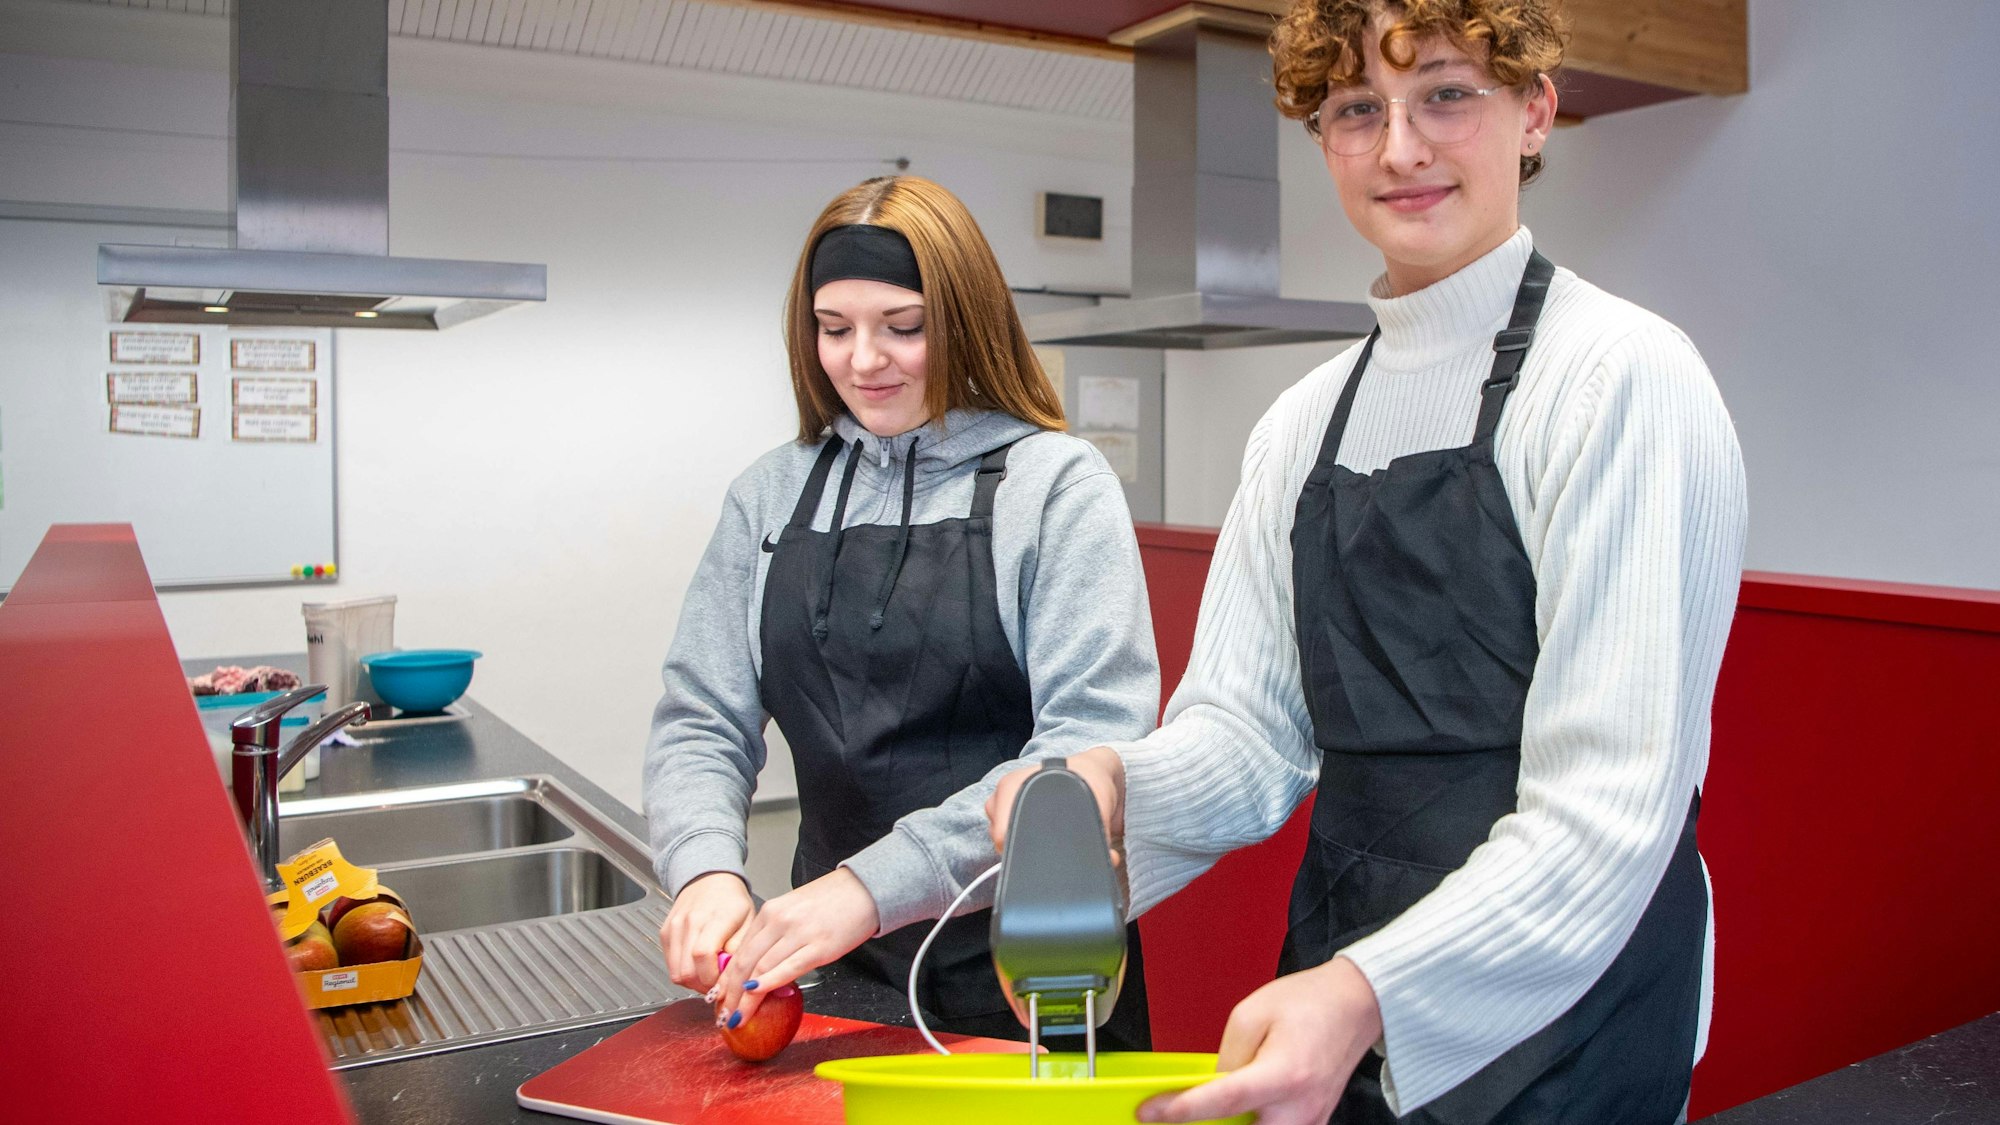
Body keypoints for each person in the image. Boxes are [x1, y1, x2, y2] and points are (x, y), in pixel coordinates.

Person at [989, 1, 1747, 1122]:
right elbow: (1248, 735)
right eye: (1355, 109)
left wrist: (1366, 991)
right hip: (1344, 964)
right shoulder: (1302, 422)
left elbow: (1608, 809)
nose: (1399, 149)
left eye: (1445, 92)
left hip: (1572, 997)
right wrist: (1113, 790)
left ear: (1533, 112)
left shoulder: (1622, 380)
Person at [644, 175, 1158, 1047]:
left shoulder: (1055, 486)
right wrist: (702, 871)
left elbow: (1083, 747)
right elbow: (702, 717)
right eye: (833, 328)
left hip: (1030, 975)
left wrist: (872, 885)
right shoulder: (771, 494)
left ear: (965, 321)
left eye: (903, 327)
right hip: (831, 968)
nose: (863, 359)